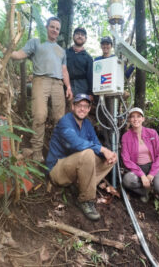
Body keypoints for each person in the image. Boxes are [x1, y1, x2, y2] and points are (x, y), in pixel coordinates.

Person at [46, 93, 117, 221]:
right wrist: (102, 149)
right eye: (79, 105)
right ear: (73, 106)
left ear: (89, 109)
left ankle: (81, 186)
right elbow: (75, 143)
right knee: (88, 153)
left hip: (74, 167)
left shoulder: (87, 124)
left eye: (85, 106)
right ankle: (85, 200)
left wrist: (107, 154)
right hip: (57, 169)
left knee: (110, 159)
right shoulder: (65, 121)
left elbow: (95, 143)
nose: (82, 109)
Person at [11, 17, 73, 162]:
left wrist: (68, 87)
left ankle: (57, 151)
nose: (54, 30)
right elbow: (20, 54)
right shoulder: (36, 42)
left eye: (57, 28)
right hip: (41, 80)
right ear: (46, 27)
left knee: (60, 119)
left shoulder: (61, 51)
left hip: (58, 84)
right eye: (52, 27)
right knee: (39, 115)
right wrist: (8, 53)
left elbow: (64, 71)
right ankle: (36, 152)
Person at [121, 107, 159, 227]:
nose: (135, 119)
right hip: (138, 168)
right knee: (127, 180)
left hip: (155, 166)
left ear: (143, 119)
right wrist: (142, 175)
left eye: (138, 116)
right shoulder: (126, 136)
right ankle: (145, 192)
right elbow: (126, 159)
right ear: (129, 120)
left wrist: (151, 174)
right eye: (132, 116)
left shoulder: (152, 133)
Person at [94, 36, 134, 148]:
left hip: (112, 96)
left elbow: (124, 75)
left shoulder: (116, 60)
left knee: (112, 120)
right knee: (102, 120)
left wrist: (134, 66)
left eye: (108, 44)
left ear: (111, 46)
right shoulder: (97, 61)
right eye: (103, 44)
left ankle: (115, 145)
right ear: (101, 46)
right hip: (101, 95)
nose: (105, 46)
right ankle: (107, 144)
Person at [66, 27, 93, 99]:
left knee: (81, 108)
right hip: (66, 86)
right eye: (77, 34)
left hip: (83, 87)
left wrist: (90, 93)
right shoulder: (65, 53)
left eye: (82, 35)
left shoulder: (88, 58)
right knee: (66, 109)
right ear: (73, 36)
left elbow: (91, 76)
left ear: (85, 38)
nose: (80, 36)